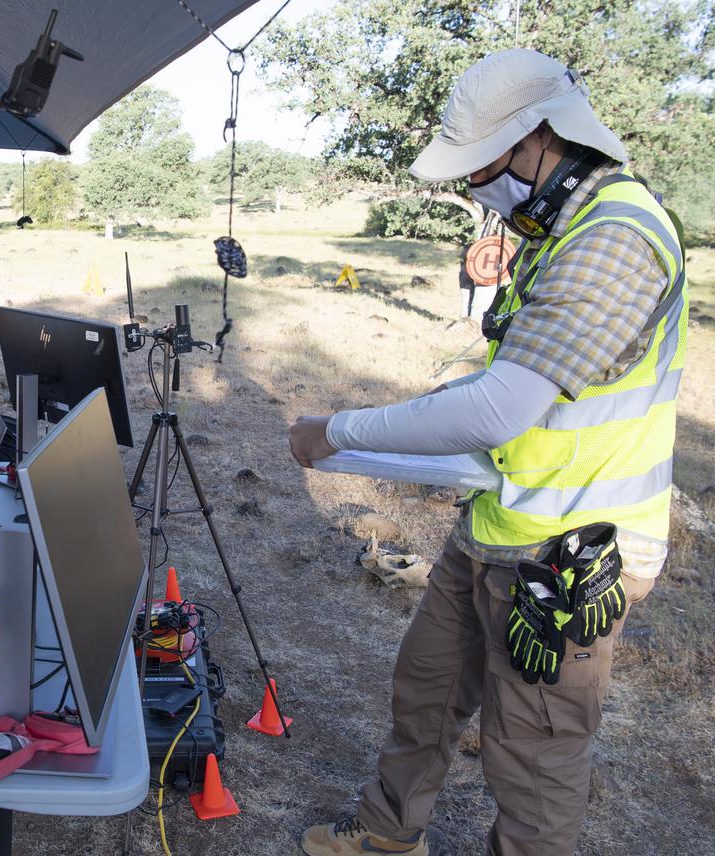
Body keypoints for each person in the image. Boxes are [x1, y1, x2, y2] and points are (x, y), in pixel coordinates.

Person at [289, 49, 686, 856]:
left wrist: (339, 431)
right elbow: (517, 375)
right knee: (428, 688)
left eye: (483, 166)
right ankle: (387, 834)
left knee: (533, 756)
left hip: (570, 551)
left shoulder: (615, 236)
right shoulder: (558, 226)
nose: (474, 187)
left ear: (542, 136)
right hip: (499, 523)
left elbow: (502, 409)